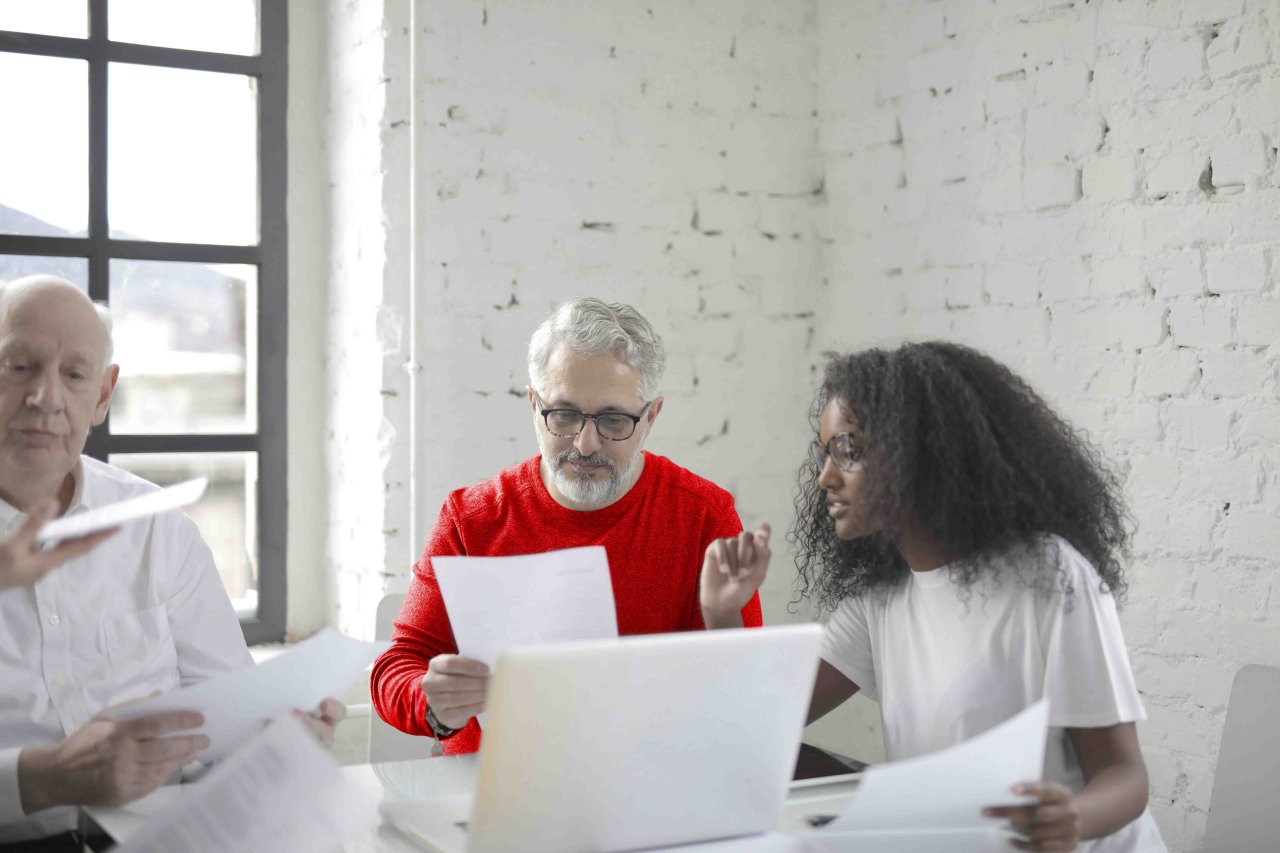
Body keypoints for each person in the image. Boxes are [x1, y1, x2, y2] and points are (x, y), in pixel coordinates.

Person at [702, 342, 1166, 852]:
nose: (824, 477)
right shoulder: (880, 600)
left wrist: (1070, 819)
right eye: (826, 452)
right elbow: (764, 727)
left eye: (848, 451)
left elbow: (1124, 777)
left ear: (920, 454)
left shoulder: (1047, 575)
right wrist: (723, 611)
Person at [0, 276, 344, 848]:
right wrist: (46, 776)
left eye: (75, 375)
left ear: (103, 396)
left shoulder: (156, 525)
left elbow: (227, 720)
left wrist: (275, 737)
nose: (47, 397)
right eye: (19, 366)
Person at [372, 297, 763, 754]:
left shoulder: (704, 515)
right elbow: (397, 666)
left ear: (651, 417)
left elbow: (742, 687)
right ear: (534, 405)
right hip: (488, 787)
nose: (585, 442)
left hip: (644, 783)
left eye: (614, 420)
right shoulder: (471, 517)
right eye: (564, 415)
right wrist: (432, 701)